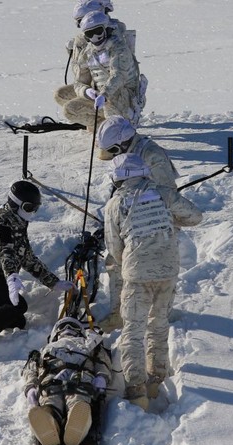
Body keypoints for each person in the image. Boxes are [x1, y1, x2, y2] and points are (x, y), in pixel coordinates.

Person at [103, 154, 202, 410]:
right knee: (158, 324)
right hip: (168, 270)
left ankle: (136, 388)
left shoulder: (115, 204)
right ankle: (156, 378)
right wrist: (169, 220)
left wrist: (127, 261)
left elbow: (114, 246)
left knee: (133, 330)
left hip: (137, 273)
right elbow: (195, 216)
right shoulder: (163, 194)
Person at [0, 180, 75, 356]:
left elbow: (28, 258)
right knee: (19, 305)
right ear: (16, 204)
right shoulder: (1, 221)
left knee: (17, 321)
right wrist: (11, 277)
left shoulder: (18, 224)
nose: (32, 213)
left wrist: (54, 283)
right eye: (29, 207)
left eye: (36, 208)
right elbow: (6, 250)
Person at [95, 115, 180, 330]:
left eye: (114, 150)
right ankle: (121, 313)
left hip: (154, 227)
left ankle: (149, 316)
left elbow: (168, 197)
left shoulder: (153, 157)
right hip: (131, 221)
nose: (113, 155)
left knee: (134, 267)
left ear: (123, 142)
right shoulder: (130, 152)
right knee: (115, 262)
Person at [22, 317, 113, 445]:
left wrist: (102, 377)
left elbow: (103, 362)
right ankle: (50, 421)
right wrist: (30, 388)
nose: (67, 330)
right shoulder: (44, 350)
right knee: (50, 400)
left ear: (80, 332)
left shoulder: (91, 344)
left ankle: (77, 422)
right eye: (62, 327)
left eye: (73, 327)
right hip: (51, 378)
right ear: (55, 334)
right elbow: (30, 370)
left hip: (80, 376)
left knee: (78, 396)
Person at [56, 11, 146, 131]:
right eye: (89, 34)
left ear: (106, 29)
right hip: (101, 95)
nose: (95, 37)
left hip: (123, 97)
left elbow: (118, 76)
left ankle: (123, 126)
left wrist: (104, 95)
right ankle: (103, 127)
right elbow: (79, 82)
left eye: (97, 32)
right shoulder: (88, 53)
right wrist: (87, 91)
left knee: (112, 97)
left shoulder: (119, 48)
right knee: (69, 109)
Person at [56, 1, 128, 111]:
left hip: (111, 91)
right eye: (80, 22)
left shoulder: (113, 35)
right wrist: (75, 49)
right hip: (92, 88)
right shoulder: (86, 37)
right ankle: (91, 115)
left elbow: (118, 73)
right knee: (60, 94)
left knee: (69, 108)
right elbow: (81, 70)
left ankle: (102, 118)